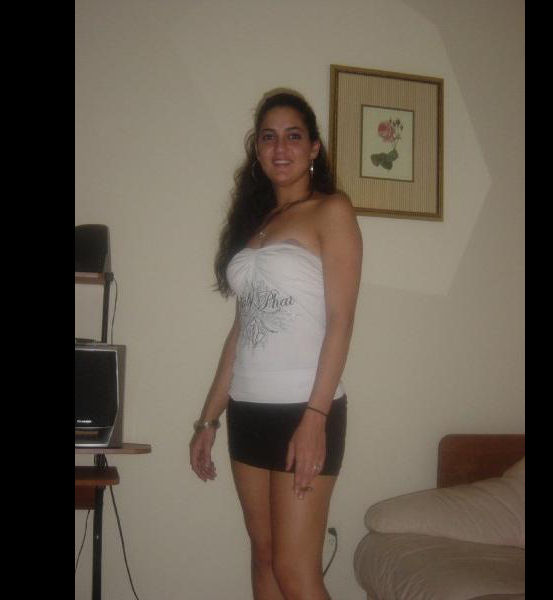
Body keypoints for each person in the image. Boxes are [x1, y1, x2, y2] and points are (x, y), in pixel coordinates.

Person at [189, 88, 362, 600]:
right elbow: (241, 332)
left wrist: (316, 417)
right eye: (268, 137)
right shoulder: (258, 225)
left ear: (313, 148)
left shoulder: (331, 210)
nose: (280, 147)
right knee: (263, 559)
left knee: (294, 571)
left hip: (303, 409)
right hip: (247, 408)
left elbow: (341, 322)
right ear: (257, 149)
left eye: (293, 136)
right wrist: (208, 420)